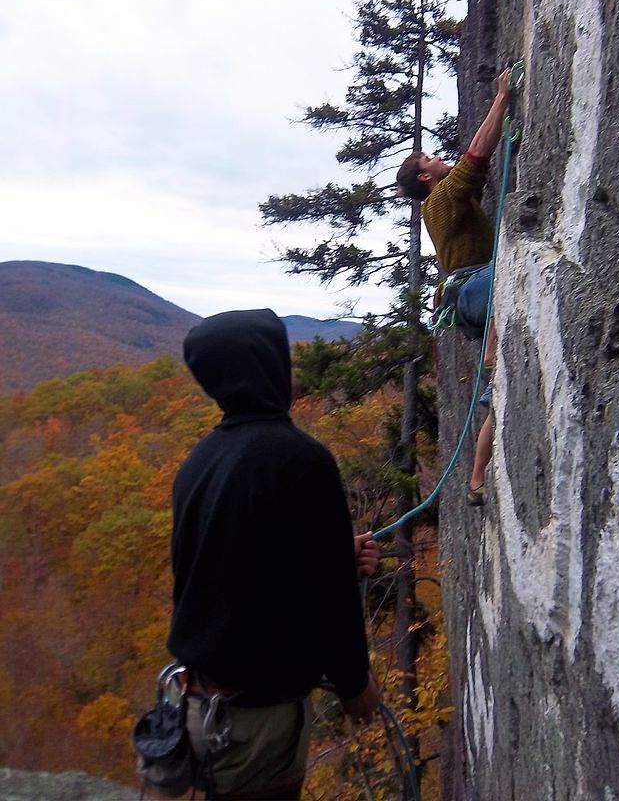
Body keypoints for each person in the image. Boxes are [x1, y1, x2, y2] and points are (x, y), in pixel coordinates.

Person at [167, 308, 380, 800]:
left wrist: (324, 554)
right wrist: (354, 684)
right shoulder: (301, 460)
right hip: (258, 721)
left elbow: (217, 573)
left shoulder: (198, 462)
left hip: (198, 707)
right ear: (267, 367)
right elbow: (330, 596)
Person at [396, 68, 512, 506]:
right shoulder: (440, 197)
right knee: (516, 268)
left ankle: (476, 479)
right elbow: (476, 157)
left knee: (494, 394)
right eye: (432, 162)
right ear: (426, 178)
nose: (441, 161)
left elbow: (473, 172)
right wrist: (502, 98)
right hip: (476, 290)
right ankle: (488, 350)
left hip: (467, 299)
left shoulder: (444, 202)